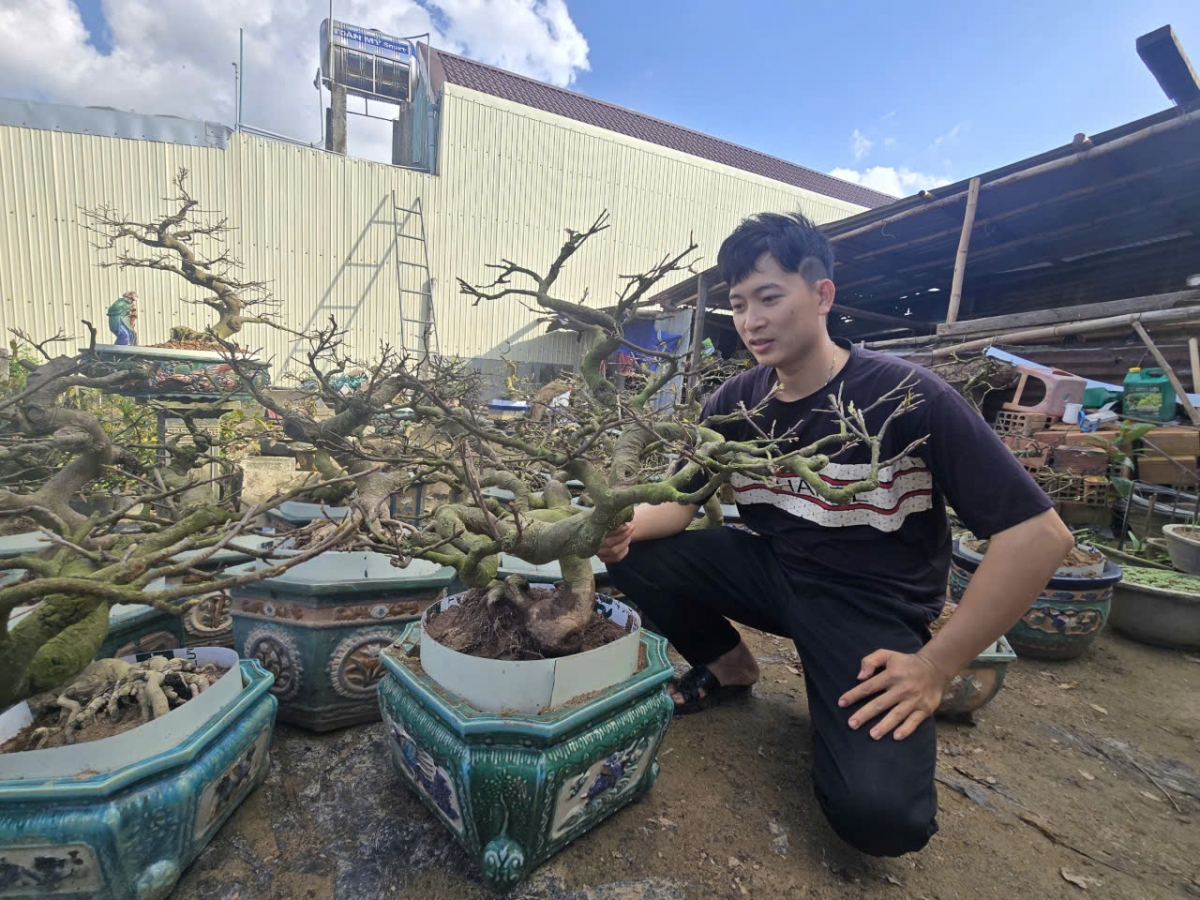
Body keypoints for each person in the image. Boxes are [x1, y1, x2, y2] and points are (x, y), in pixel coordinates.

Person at [599, 212, 1073, 858]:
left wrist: (936, 666)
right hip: (772, 569)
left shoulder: (907, 397)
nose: (750, 321)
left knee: (879, 817)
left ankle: (850, 714)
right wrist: (621, 524)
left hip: (867, 606)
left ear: (822, 296)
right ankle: (728, 664)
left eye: (769, 297)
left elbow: (1039, 536)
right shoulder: (735, 405)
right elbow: (680, 504)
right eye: (738, 304)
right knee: (638, 552)